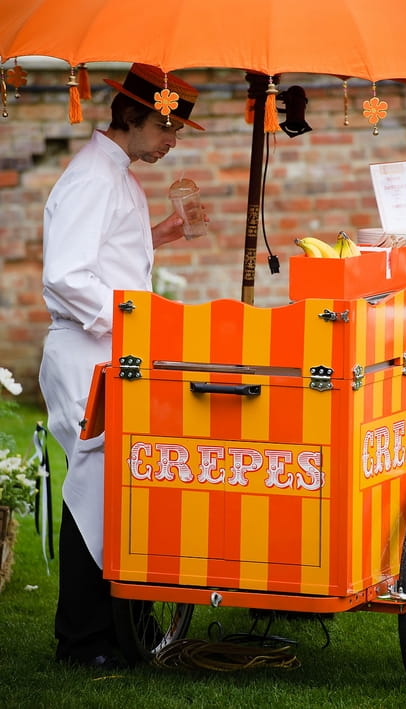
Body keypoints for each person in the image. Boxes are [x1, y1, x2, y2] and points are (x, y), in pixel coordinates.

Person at [39, 63, 205, 669]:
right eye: (169, 129)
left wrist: (162, 234)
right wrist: (130, 321)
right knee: (93, 488)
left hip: (110, 351)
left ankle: (119, 625)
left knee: (121, 488)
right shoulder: (92, 178)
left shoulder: (118, 178)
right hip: (88, 353)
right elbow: (66, 275)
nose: (174, 142)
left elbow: (107, 251)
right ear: (135, 117)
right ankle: (81, 640)